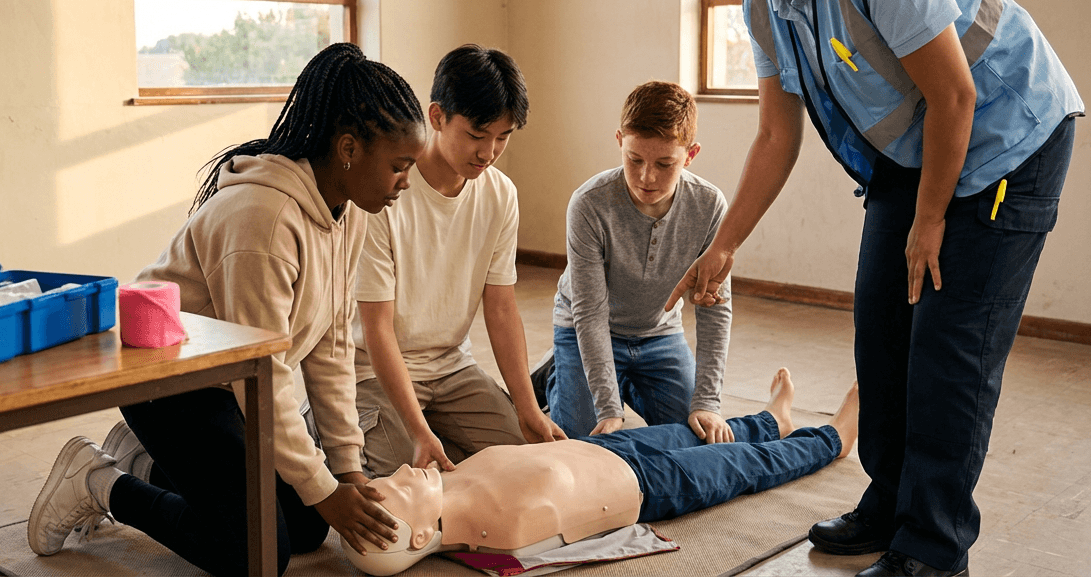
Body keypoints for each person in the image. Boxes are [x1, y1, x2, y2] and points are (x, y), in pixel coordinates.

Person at [669, 0, 1084, 577]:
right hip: (917, 155)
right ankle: (889, 504)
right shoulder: (765, 1)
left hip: (1006, 142)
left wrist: (929, 224)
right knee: (882, 333)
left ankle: (932, 548)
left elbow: (956, 93)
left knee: (949, 352)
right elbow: (774, 135)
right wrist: (724, 244)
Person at [26, 43, 429, 577]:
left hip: (231, 382)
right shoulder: (263, 219)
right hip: (168, 381)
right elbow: (264, 373)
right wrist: (324, 487)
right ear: (349, 148)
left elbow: (330, 346)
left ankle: (146, 460)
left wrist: (346, 471)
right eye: (400, 166)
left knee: (311, 524)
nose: (407, 181)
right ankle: (98, 480)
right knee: (255, 555)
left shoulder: (347, 211)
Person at [344, 369, 858, 576]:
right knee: (748, 466)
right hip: (649, 486)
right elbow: (588, 543)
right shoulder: (496, 533)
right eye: (393, 493)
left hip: (606, 449)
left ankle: (772, 419)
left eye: (382, 480)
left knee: (697, 429)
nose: (396, 476)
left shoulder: (446, 477)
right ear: (415, 535)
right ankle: (832, 437)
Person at [354, 44, 566, 478]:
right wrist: (415, 428)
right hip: (372, 373)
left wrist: (527, 409)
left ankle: (440, 431)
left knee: (528, 466)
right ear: (437, 117)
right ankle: (328, 421)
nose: (488, 152)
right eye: (477, 134)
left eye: (503, 137)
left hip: (452, 368)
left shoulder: (500, 193)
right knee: (406, 483)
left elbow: (502, 309)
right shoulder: (385, 193)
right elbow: (375, 328)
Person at [542, 80, 733, 442]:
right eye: (634, 160)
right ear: (620, 141)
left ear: (690, 154)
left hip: (658, 334)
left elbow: (715, 309)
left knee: (694, 436)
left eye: (665, 164)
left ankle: (622, 379)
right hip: (584, 328)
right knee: (583, 444)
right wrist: (608, 408)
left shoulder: (710, 206)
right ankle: (560, 374)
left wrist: (707, 400)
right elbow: (589, 311)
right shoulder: (588, 204)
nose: (647, 177)